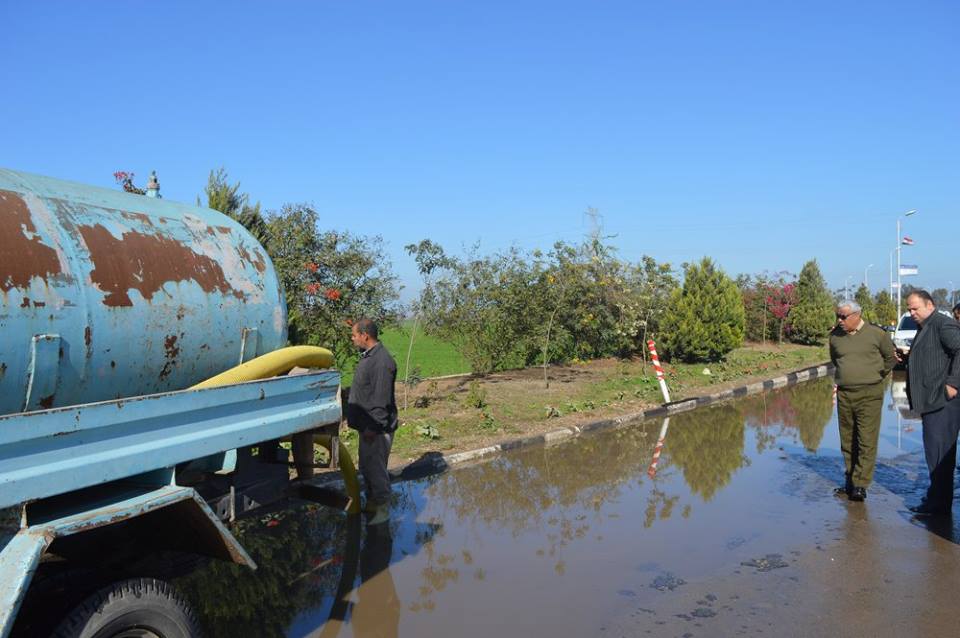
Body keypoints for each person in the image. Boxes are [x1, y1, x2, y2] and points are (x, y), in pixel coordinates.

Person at [829, 300, 897, 501]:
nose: (839, 320)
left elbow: (890, 358)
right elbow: (836, 360)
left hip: (870, 393)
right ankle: (850, 480)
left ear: (857, 315)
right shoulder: (835, 336)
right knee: (847, 439)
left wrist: (876, 376)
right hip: (845, 394)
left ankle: (860, 484)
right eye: (838, 316)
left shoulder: (877, 334)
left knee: (866, 440)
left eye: (844, 316)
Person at [901, 291, 960, 516]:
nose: (911, 313)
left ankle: (938, 507)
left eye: (915, 308)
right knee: (935, 454)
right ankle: (937, 497)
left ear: (930, 305)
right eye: (909, 309)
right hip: (933, 401)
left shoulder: (942, 324)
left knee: (939, 455)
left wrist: (953, 383)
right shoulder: (926, 326)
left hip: (942, 402)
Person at [346, 318, 398, 525]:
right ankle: (372, 505)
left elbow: (381, 398)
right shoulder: (370, 356)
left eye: (354, 335)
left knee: (375, 470)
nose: (352, 339)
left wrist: (372, 426)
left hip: (375, 429)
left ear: (365, 335)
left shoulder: (382, 361)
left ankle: (382, 510)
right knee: (367, 467)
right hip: (367, 426)